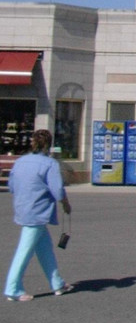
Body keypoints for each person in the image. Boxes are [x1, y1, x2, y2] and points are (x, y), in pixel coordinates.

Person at [4, 129, 74, 302]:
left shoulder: (20, 161)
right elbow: (57, 190)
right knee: (24, 250)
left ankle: (57, 283)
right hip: (38, 211)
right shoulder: (49, 164)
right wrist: (66, 204)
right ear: (48, 145)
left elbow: (12, 186)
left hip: (23, 208)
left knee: (45, 249)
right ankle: (13, 288)